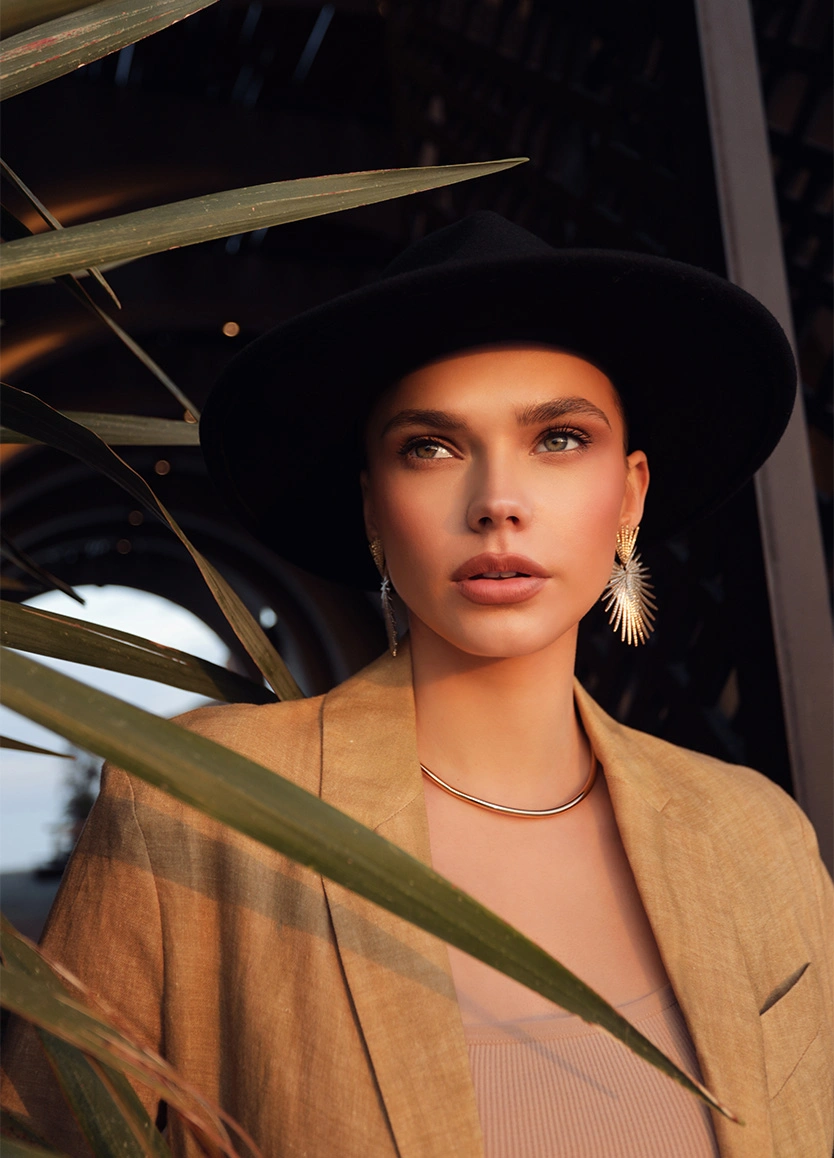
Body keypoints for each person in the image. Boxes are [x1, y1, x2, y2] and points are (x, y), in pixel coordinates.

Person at [3, 213, 832, 1157]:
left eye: (559, 438)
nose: (496, 501)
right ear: (371, 506)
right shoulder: (201, 804)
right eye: (430, 447)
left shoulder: (754, 837)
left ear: (632, 494)